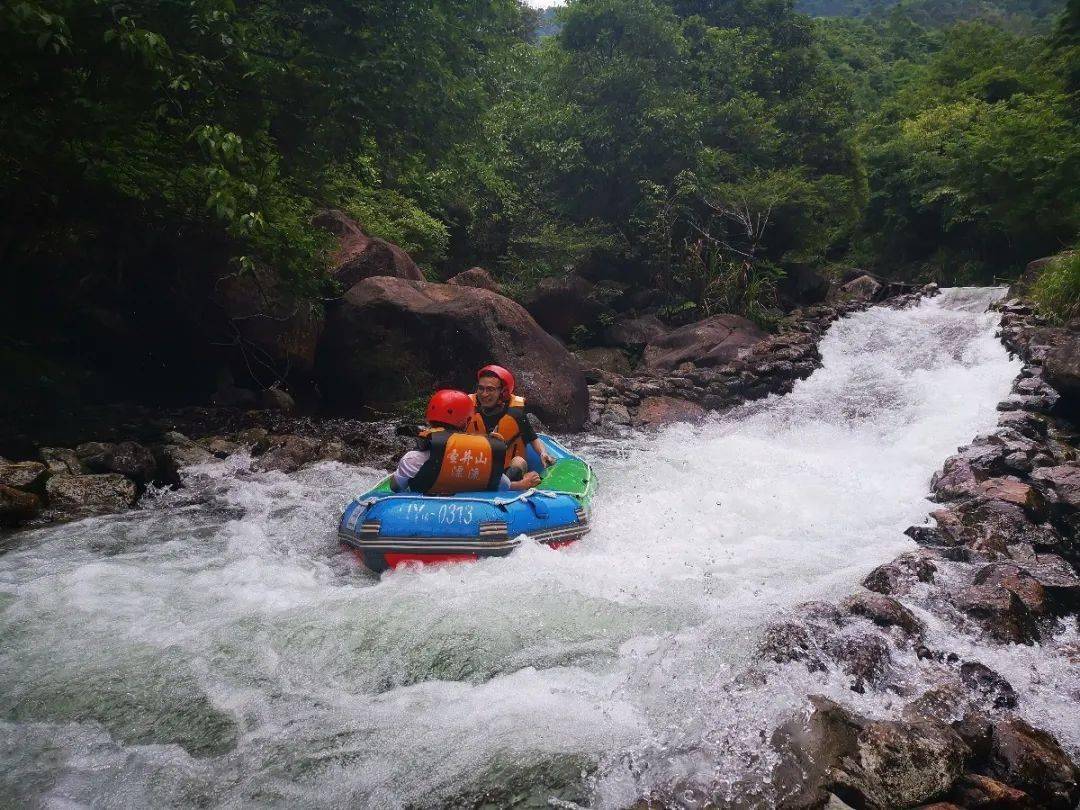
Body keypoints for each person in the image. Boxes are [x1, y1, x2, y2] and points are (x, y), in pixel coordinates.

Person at [390, 389, 541, 494]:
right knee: (518, 463)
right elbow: (503, 486)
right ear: (465, 422)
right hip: (481, 513)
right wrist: (523, 484)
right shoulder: (482, 457)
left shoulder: (411, 459)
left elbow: (396, 487)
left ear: (429, 417)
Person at [466, 364, 556, 477]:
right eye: (481, 388)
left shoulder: (516, 415)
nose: (484, 394)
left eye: (490, 389)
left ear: (502, 392)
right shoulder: (466, 410)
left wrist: (543, 453)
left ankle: (505, 485)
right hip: (474, 468)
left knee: (519, 462)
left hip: (507, 471)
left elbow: (533, 438)